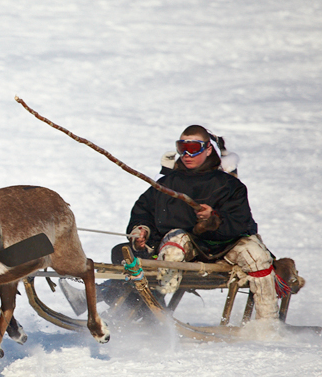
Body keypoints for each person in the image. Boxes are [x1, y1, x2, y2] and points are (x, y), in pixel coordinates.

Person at [115, 124, 279, 321]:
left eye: (193, 148)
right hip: (186, 245)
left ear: (208, 149)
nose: (187, 154)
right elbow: (143, 211)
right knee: (173, 246)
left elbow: (241, 222)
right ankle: (155, 314)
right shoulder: (166, 184)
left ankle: (268, 324)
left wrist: (215, 219)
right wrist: (142, 231)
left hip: (227, 245)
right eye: (181, 147)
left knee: (257, 255)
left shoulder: (230, 185)